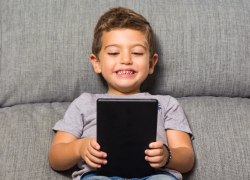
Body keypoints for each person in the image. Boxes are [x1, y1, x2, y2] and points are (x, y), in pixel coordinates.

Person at [49, 6, 194, 180]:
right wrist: (79, 148)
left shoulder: (168, 104)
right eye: (114, 52)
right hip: (99, 174)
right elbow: (55, 158)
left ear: (151, 63)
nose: (126, 60)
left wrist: (167, 155)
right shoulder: (84, 103)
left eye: (137, 52)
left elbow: (187, 159)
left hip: (156, 174)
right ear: (97, 63)